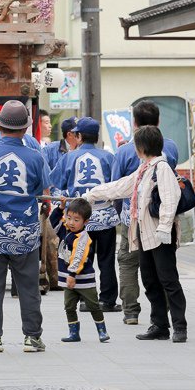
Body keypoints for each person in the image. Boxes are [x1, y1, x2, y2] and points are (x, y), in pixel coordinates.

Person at [83, 126, 187, 343]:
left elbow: (170, 198)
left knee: (168, 280)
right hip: (144, 233)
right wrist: (92, 195)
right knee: (150, 280)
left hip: (159, 234)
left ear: (141, 147)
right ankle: (159, 325)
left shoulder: (162, 168)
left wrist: (165, 228)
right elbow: (121, 187)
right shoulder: (144, 169)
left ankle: (179, 326)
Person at [0, 100, 50, 353]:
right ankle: (32, 338)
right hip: (24, 232)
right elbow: (44, 194)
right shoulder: (35, 156)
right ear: (26, 129)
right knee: (28, 287)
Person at [110, 100, 179, 325]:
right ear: (158, 121)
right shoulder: (170, 147)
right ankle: (164, 310)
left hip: (133, 218)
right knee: (163, 266)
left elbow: (117, 186)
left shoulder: (123, 151)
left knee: (128, 262)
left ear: (134, 122)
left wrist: (122, 214)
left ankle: (130, 311)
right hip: (161, 218)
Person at [51, 117, 119, 312]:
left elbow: (56, 182)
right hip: (104, 216)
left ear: (78, 136)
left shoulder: (69, 157)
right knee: (106, 260)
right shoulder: (108, 157)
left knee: (80, 257)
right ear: (97, 137)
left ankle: (84, 299)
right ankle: (107, 300)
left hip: (78, 219)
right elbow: (116, 185)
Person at [49, 198, 109, 343]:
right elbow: (52, 223)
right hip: (68, 278)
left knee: (93, 305)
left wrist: (72, 274)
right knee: (69, 306)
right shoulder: (65, 230)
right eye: (69, 218)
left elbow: (78, 258)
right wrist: (60, 208)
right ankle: (74, 332)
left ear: (85, 222)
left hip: (83, 279)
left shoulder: (83, 238)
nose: (71, 222)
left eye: (76, 220)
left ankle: (102, 331)